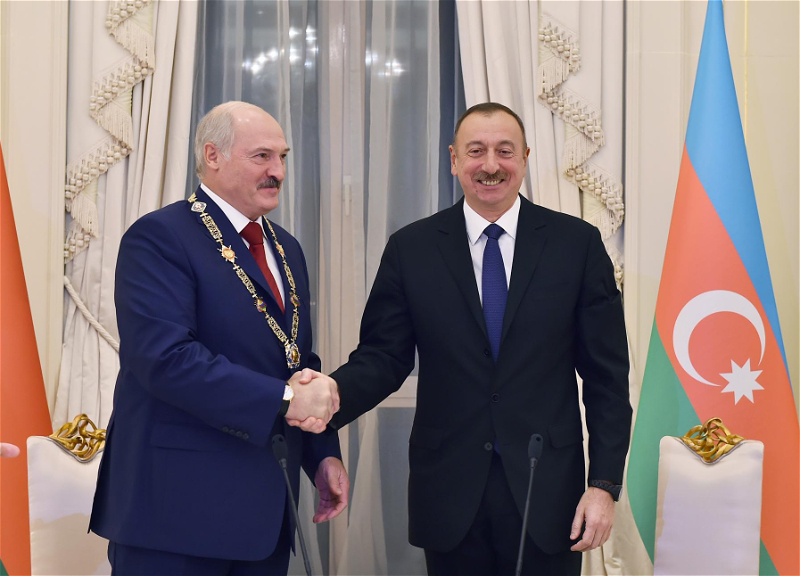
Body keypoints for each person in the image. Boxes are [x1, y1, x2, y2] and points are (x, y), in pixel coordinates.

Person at [296, 102, 631, 575]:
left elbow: (607, 379)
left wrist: (603, 485)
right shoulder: (411, 249)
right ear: (454, 160)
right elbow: (384, 357)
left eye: (505, 151)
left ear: (525, 159)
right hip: (449, 493)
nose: (491, 165)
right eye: (476, 151)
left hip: (547, 490)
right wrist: (329, 396)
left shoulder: (576, 245)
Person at [90, 101, 348, 575]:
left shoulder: (286, 247)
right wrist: (286, 398)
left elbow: (293, 358)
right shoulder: (159, 236)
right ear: (213, 155)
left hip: (265, 510)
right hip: (175, 513)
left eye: (282, 157)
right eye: (262, 156)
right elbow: (166, 359)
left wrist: (321, 454)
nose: (278, 171)